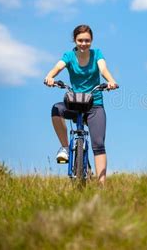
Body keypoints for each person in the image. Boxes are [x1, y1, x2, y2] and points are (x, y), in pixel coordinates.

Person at [44, 24, 118, 185]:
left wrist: (110, 81)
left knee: (98, 144)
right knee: (56, 109)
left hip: (94, 104)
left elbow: (103, 69)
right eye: (80, 40)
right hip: (74, 103)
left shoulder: (97, 54)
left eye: (87, 40)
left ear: (91, 41)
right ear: (75, 40)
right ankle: (65, 147)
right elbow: (57, 67)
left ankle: (101, 185)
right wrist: (49, 76)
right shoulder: (69, 56)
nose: (84, 44)